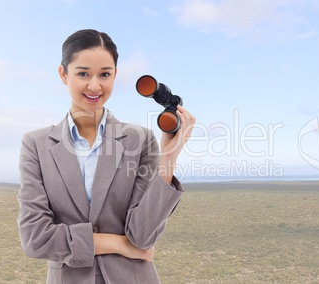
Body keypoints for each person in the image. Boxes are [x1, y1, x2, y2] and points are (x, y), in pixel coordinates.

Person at [17, 29, 195, 284]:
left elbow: (142, 236)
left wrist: (168, 159)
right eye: (82, 74)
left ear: (115, 76)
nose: (94, 85)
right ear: (63, 74)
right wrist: (119, 245)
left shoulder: (140, 139)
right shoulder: (36, 144)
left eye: (104, 74)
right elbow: (36, 239)